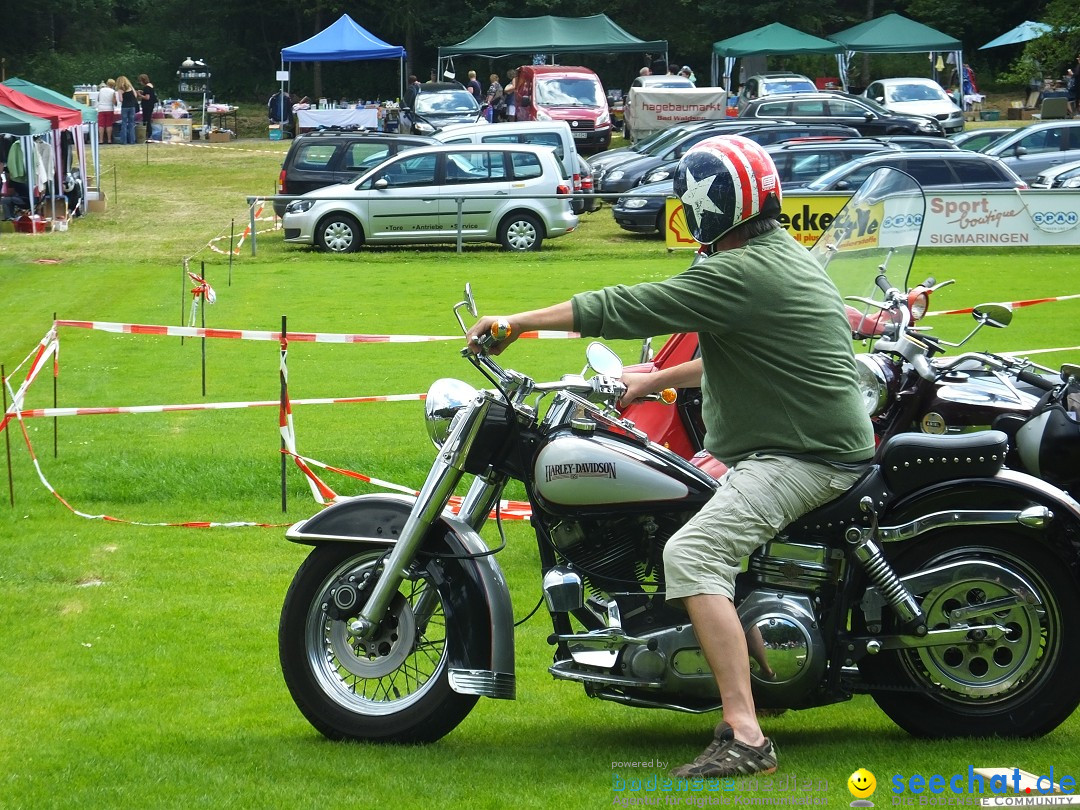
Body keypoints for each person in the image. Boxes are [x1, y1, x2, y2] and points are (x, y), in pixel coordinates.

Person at [466, 134, 874, 779]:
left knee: (692, 552)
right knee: (684, 510)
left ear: (705, 206)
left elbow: (628, 306)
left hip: (801, 456)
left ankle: (745, 734)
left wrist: (518, 322)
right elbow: (740, 354)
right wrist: (654, 380)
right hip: (794, 447)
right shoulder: (782, 257)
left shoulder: (738, 271)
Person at [116, 76, 138, 145]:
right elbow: (135, 95)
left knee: (124, 124)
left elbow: (120, 100)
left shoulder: (120, 90)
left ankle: (124, 141)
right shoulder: (131, 87)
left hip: (125, 107)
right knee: (131, 123)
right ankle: (132, 140)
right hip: (132, 107)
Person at [137, 74, 157, 143]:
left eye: (140, 81)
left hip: (147, 106)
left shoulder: (146, 87)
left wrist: (140, 95)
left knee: (146, 120)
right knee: (148, 120)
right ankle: (149, 135)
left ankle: (148, 135)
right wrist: (143, 93)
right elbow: (149, 94)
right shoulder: (151, 86)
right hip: (151, 105)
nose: (140, 83)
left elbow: (147, 97)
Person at [96, 80, 117, 144]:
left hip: (101, 108)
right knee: (109, 125)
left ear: (107, 83)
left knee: (101, 125)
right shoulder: (113, 91)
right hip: (109, 108)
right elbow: (114, 101)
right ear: (113, 85)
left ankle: (101, 140)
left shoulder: (101, 90)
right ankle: (109, 140)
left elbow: (98, 99)